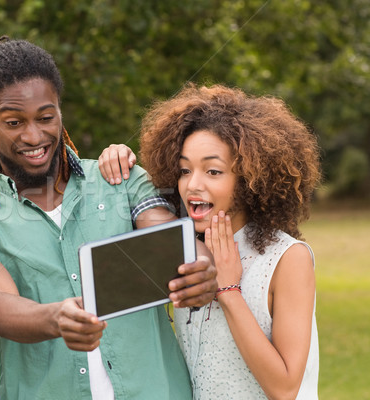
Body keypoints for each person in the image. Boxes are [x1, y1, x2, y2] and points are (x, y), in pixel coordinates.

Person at [0, 37, 217, 400]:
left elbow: (172, 244)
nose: (34, 135)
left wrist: (200, 267)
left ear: (60, 110)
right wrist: (55, 318)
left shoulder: (121, 180)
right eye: (14, 122)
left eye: (46, 117)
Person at [99, 83, 321, 399]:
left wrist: (229, 291)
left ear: (248, 178)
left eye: (213, 171)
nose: (193, 184)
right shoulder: (183, 250)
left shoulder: (288, 258)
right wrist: (118, 159)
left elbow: (285, 388)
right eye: (184, 170)